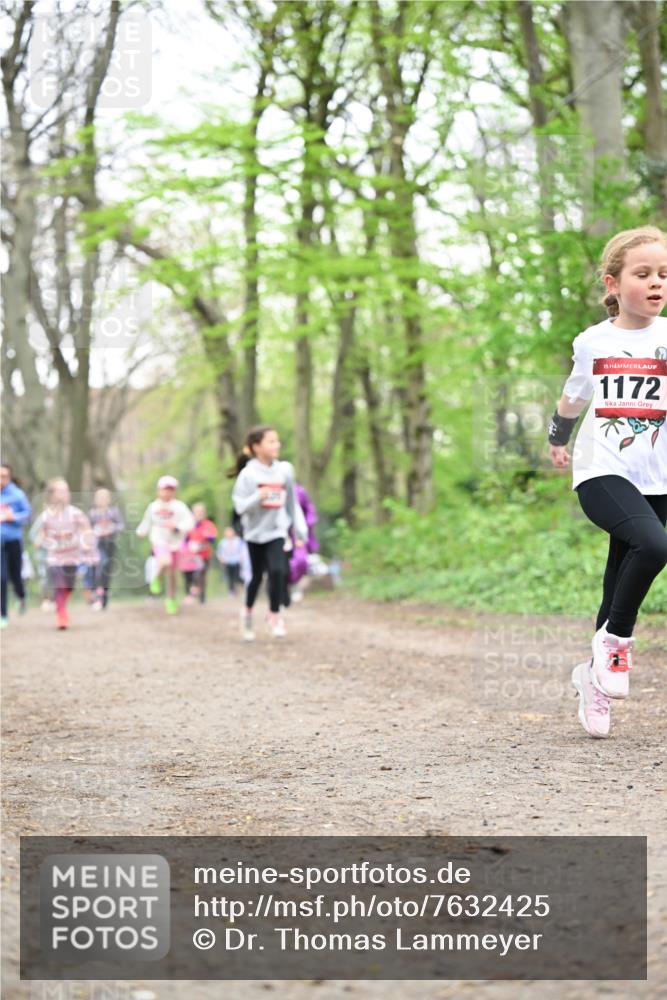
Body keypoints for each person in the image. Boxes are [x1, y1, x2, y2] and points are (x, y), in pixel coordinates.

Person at [549, 225, 667, 738]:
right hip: (603, 469)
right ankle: (615, 642)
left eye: (664, 274)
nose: (656, 283)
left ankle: (592, 681)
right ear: (613, 282)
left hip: (658, 475)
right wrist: (558, 436)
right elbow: (575, 396)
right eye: (643, 274)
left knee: (621, 570)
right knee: (654, 544)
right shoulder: (593, 342)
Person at [229, 426, 307, 640]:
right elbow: (239, 507)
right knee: (256, 576)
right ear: (256, 447)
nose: (277, 445)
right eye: (271, 442)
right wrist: (258, 496)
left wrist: (299, 529)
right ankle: (247, 612)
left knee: (278, 571)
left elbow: (291, 501)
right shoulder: (247, 474)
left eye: (277, 441)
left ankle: (274, 615)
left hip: (277, 531)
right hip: (254, 534)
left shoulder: (284, 470)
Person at [32, 478, 98, 630]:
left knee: (69, 587)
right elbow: (41, 533)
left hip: (73, 557)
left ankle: (60, 604)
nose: (64, 494)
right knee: (59, 585)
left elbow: (87, 528)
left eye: (66, 491)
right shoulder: (46, 516)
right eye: (60, 491)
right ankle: (62, 615)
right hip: (55, 557)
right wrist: (39, 540)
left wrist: (87, 541)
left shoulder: (75, 513)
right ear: (52, 495)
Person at [135, 476, 194, 615]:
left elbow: (189, 522)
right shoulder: (153, 506)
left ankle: (171, 599)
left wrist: (178, 527)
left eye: (170, 490)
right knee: (165, 561)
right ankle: (156, 579)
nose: (167, 493)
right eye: (164, 490)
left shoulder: (179, 506)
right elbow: (146, 521)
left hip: (175, 542)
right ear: (158, 491)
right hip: (159, 539)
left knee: (172, 574)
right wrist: (141, 531)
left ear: (174, 492)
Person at [0, 464, 32, 629]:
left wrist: (14, 516)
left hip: (13, 541)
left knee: (15, 577)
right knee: (1, 578)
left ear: (10, 477)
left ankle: (21, 596)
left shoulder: (17, 495)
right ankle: (3, 615)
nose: (1, 479)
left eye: (4, 476)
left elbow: (27, 515)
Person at [88, 488, 124, 610]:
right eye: (100, 497)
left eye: (105, 497)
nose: (102, 500)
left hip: (110, 544)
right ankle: (97, 593)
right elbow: (87, 529)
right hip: (97, 545)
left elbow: (121, 526)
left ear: (109, 500)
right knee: (100, 564)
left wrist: (112, 528)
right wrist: (94, 532)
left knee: (107, 569)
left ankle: (104, 596)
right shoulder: (93, 514)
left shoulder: (113, 512)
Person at [182, 503, 217, 604]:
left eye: (201, 512)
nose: (199, 514)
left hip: (204, 556)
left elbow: (212, 538)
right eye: (197, 512)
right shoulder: (189, 524)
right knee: (188, 575)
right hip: (190, 557)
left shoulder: (208, 525)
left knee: (200, 575)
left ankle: (202, 598)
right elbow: (184, 539)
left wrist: (202, 543)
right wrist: (188, 547)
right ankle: (189, 594)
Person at [217, 526, 244, 595]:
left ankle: (237, 588)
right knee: (229, 576)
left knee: (237, 576)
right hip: (227, 562)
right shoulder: (222, 542)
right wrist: (221, 559)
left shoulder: (238, 541)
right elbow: (219, 552)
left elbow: (243, 550)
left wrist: (242, 558)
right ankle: (231, 590)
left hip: (237, 561)